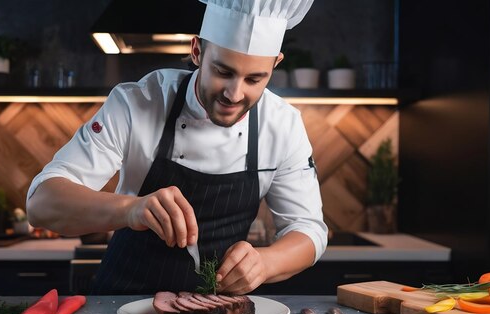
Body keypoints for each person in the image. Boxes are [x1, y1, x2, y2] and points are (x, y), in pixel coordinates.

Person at [26, 0, 328, 295]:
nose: (234, 94)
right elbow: (41, 204)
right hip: (119, 308)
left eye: (254, 79)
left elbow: (309, 230)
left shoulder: (283, 126)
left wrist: (265, 262)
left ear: (275, 65)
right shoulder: (136, 103)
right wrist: (132, 210)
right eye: (223, 72)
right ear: (197, 51)